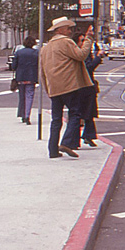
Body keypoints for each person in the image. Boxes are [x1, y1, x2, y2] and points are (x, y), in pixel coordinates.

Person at [39, 17, 95, 158]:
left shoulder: (45, 48)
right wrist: (88, 39)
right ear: (60, 30)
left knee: (56, 119)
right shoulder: (66, 42)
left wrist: (47, 89)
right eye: (68, 28)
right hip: (69, 86)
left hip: (54, 88)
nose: (70, 31)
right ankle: (67, 142)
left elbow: (42, 71)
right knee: (75, 114)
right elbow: (81, 55)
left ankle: (53, 150)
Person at [80, 34, 103, 146]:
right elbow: (89, 67)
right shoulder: (81, 55)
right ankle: (84, 136)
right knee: (85, 113)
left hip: (88, 87)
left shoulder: (84, 54)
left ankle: (88, 135)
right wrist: (98, 58)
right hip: (85, 87)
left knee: (89, 113)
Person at [13, 36, 39, 125]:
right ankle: (27, 115)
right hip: (31, 77)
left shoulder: (19, 53)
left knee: (22, 97)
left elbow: (13, 66)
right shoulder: (36, 53)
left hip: (21, 77)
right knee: (29, 96)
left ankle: (22, 115)